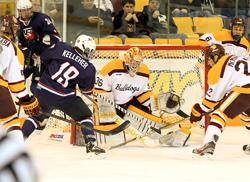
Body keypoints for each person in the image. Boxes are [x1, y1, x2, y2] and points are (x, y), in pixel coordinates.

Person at [21, 34, 105, 156]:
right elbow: (86, 90)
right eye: (89, 51)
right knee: (85, 116)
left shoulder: (61, 47)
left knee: (36, 116)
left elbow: (44, 58)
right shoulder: (89, 68)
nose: (90, 53)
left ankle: (19, 140)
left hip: (43, 90)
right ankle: (91, 145)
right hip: (64, 98)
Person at [94, 47, 191, 144]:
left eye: (138, 62)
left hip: (127, 104)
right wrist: (108, 118)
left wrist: (161, 102)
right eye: (133, 61)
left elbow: (143, 94)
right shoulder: (112, 68)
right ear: (127, 59)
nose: (135, 65)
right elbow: (100, 92)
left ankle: (172, 138)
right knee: (108, 132)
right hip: (109, 105)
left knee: (150, 123)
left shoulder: (143, 72)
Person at [189, 44, 250, 156]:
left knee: (219, 114)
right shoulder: (232, 57)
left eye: (208, 58)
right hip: (246, 87)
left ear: (215, 56)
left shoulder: (216, 70)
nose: (207, 62)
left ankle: (208, 145)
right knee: (247, 114)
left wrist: (197, 111)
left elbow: (209, 104)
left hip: (245, 89)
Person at [0, 17, 40, 143]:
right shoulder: (12, 48)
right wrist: (26, 100)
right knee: (11, 124)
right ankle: (12, 156)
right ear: (12, 29)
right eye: (16, 27)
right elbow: (16, 84)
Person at [17, 0, 61, 88]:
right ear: (19, 11)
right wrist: (28, 53)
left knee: (41, 83)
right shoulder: (17, 23)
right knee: (21, 79)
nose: (25, 12)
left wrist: (44, 46)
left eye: (28, 9)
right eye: (23, 10)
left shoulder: (42, 18)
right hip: (29, 56)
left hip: (45, 55)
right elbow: (20, 43)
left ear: (31, 9)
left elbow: (56, 37)